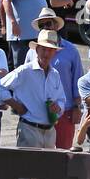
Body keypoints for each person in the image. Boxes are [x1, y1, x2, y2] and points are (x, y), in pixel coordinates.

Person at [0, 30, 67, 149]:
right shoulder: (24, 70)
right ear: (37, 50)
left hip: (49, 131)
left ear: (54, 53)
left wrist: (58, 107)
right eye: (43, 49)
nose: (46, 53)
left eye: (50, 50)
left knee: (48, 168)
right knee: (28, 167)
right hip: (29, 129)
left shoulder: (55, 74)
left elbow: (61, 100)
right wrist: (15, 105)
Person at [24, 8, 81, 148]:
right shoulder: (32, 51)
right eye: (42, 25)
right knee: (36, 155)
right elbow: (25, 81)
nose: (45, 27)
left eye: (48, 23)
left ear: (56, 25)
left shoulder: (71, 50)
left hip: (64, 110)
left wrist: (77, 107)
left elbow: (77, 81)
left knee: (63, 154)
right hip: (37, 111)